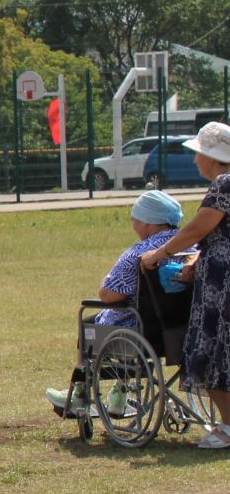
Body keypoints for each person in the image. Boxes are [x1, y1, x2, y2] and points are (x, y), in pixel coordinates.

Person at [44, 190, 183, 416]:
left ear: (146, 223)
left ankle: (81, 393)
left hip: (142, 330)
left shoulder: (138, 254)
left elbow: (109, 295)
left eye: (134, 220)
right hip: (180, 328)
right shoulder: (192, 248)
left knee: (89, 324)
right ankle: (119, 392)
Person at [137, 122, 230, 448]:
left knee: (215, 346)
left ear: (211, 156)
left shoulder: (224, 183)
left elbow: (198, 228)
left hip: (223, 279)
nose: (195, 162)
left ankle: (228, 427)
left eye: (198, 155)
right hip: (217, 266)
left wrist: (159, 253)